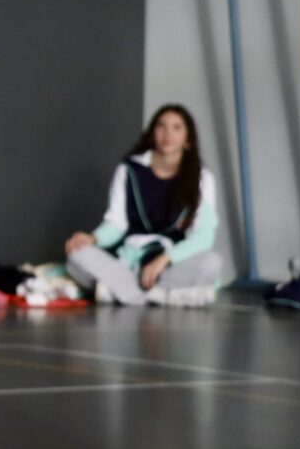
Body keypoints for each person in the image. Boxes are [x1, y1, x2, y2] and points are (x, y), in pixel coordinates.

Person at [63, 104, 222, 307]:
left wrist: (164, 259)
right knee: (77, 256)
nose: (168, 134)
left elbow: (204, 236)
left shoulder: (202, 178)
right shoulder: (129, 170)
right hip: (129, 263)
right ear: (152, 133)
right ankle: (163, 296)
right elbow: (116, 225)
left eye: (177, 128)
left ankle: (122, 293)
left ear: (188, 138)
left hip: (169, 264)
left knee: (212, 262)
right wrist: (93, 239)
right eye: (161, 126)